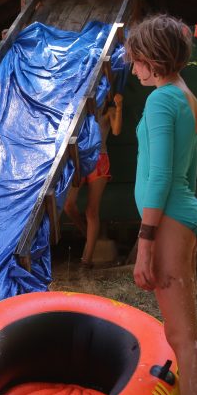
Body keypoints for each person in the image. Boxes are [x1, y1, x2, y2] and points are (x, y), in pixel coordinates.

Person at [126, 14, 197, 395]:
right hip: (184, 213)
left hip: (170, 221)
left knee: (183, 339)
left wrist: (145, 242)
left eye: (136, 59)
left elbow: (160, 177)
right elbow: (187, 174)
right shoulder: (187, 98)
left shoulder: (161, 101)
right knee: (186, 337)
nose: (133, 68)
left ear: (153, 58)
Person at [63, 91, 123, 267]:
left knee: (91, 211)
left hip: (100, 161)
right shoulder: (82, 112)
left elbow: (117, 131)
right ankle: (88, 234)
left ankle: (86, 261)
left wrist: (119, 107)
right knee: (69, 205)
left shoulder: (109, 112)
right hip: (81, 161)